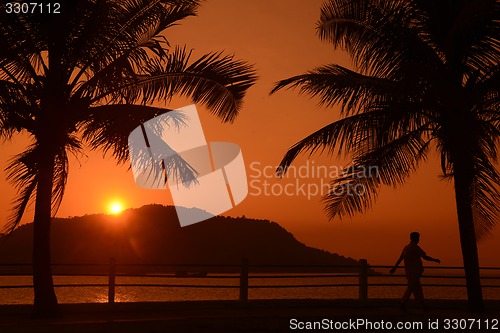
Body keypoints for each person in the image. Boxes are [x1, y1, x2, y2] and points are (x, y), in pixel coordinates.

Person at [390, 232, 440, 310]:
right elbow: (425, 256)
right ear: (416, 238)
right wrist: (434, 260)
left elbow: (400, 259)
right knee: (410, 288)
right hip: (415, 272)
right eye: (418, 238)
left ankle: (423, 305)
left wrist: (395, 268)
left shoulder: (406, 248)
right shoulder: (415, 247)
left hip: (409, 272)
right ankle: (403, 303)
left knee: (418, 289)